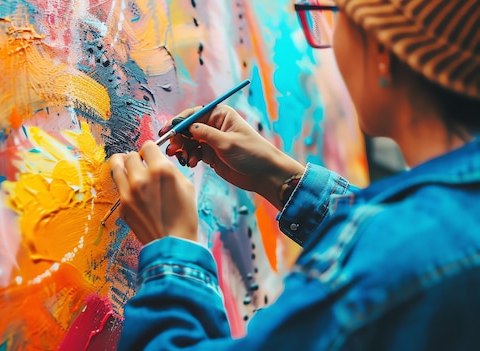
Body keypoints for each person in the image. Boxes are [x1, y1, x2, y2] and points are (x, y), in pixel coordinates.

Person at [109, 0, 480, 349]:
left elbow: (391, 262)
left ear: (383, 53)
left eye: (333, 17)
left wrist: (174, 250)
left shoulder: (387, 263)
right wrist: (282, 178)